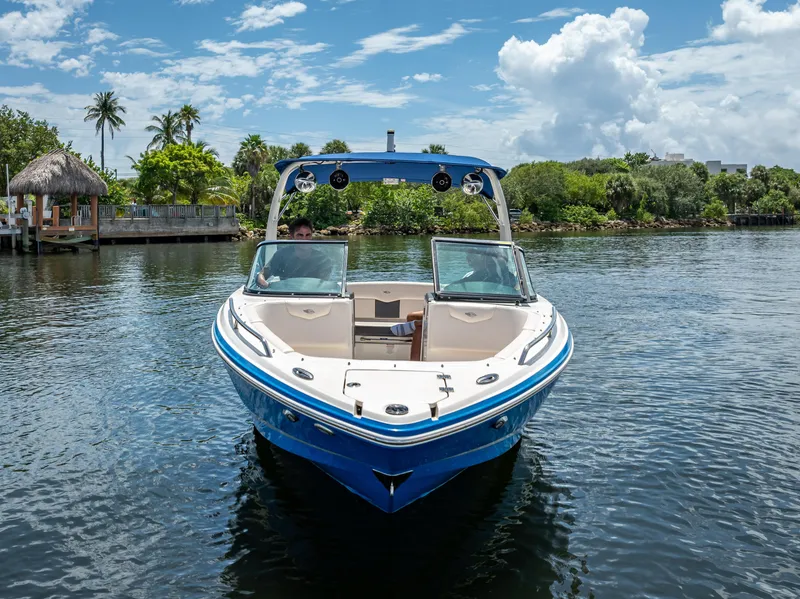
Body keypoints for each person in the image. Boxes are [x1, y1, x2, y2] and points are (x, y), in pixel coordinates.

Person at [255, 218, 332, 286]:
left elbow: (323, 284)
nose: (305, 239)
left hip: (313, 294)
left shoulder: (322, 259)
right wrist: (263, 283)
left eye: (308, 235)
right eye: (300, 235)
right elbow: (263, 274)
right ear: (292, 236)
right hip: (286, 294)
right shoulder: (281, 255)